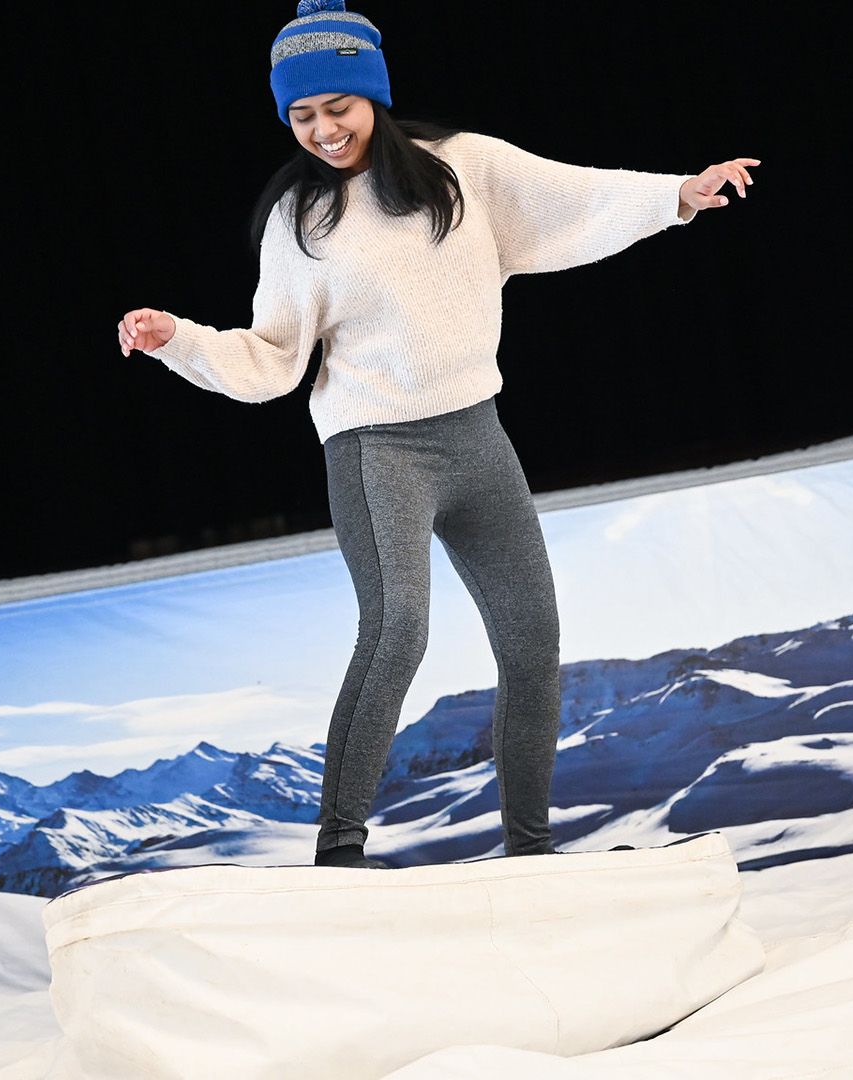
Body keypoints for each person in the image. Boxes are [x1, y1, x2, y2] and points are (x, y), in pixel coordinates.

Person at [117, 0, 757, 869]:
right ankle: (338, 855)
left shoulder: (463, 170)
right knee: (398, 631)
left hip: (479, 439)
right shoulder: (299, 224)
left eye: (336, 107)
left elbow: (570, 197)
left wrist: (675, 196)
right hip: (377, 452)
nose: (322, 129)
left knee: (533, 644)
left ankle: (530, 853)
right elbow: (271, 358)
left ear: (373, 96)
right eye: (301, 116)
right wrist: (178, 339)